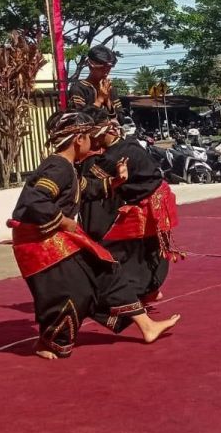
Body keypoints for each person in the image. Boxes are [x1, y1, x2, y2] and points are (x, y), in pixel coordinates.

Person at [9, 111, 179, 359]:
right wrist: (64, 221)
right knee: (76, 292)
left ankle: (148, 327)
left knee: (107, 271)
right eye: (89, 137)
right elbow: (35, 200)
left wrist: (114, 183)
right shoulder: (57, 167)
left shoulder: (67, 167)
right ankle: (49, 342)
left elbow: (85, 188)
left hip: (57, 239)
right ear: (78, 139)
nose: (93, 142)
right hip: (42, 245)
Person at [82, 110, 185, 324]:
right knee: (146, 248)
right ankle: (150, 291)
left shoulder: (114, 157)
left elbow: (88, 184)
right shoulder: (127, 141)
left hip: (150, 204)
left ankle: (139, 291)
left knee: (123, 250)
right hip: (148, 199)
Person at [67, 44, 121, 114]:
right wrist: (100, 99)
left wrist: (107, 100)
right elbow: (79, 119)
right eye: (102, 68)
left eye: (109, 68)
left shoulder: (110, 89)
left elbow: (121, 119)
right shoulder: (78, 89)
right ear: (90, 66)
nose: (106, 72)